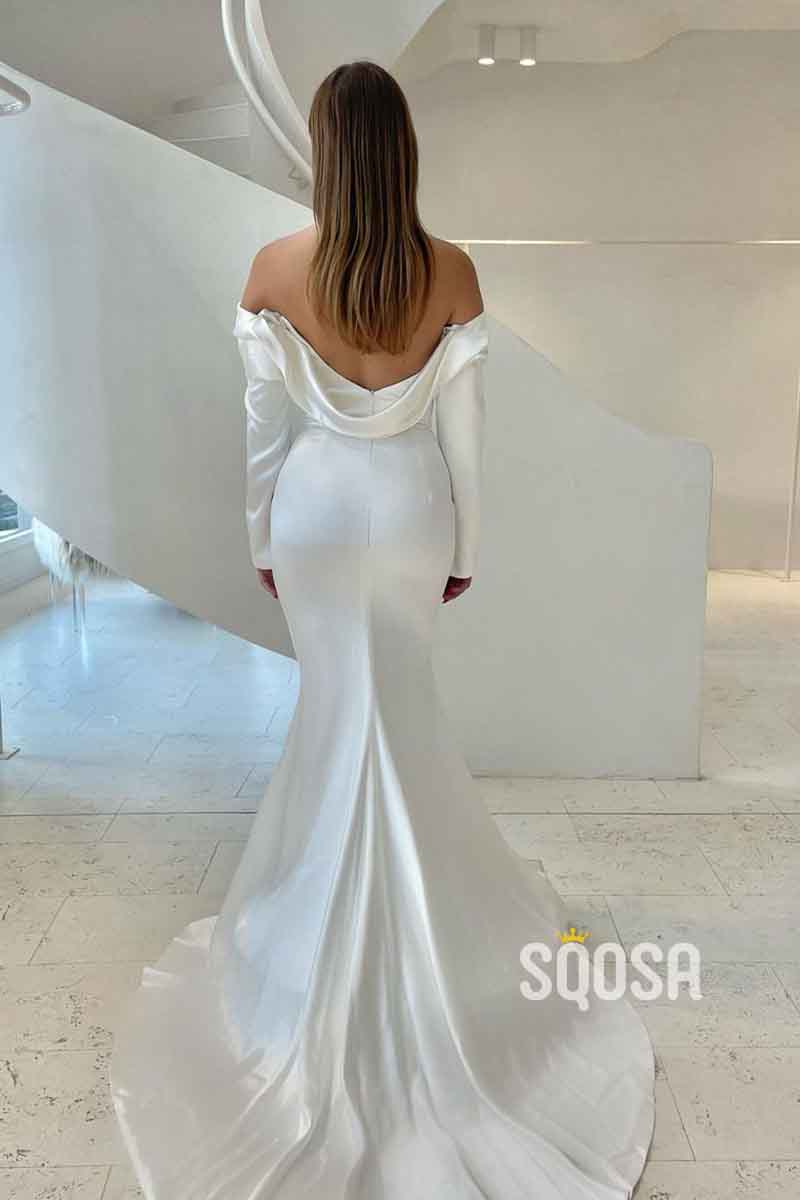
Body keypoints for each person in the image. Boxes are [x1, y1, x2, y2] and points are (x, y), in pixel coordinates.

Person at [110, 60, 654, 1200]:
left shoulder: (273, 268)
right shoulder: (449, 270)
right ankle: (426, 949)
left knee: (336, 713)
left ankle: (320, 949)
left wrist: (261, 534)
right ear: (402, 148)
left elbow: (263, 425)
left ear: (322, 149)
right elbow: (467, 432)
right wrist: (463, 548)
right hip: (409, 510)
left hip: (313, 512)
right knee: (394, 716)